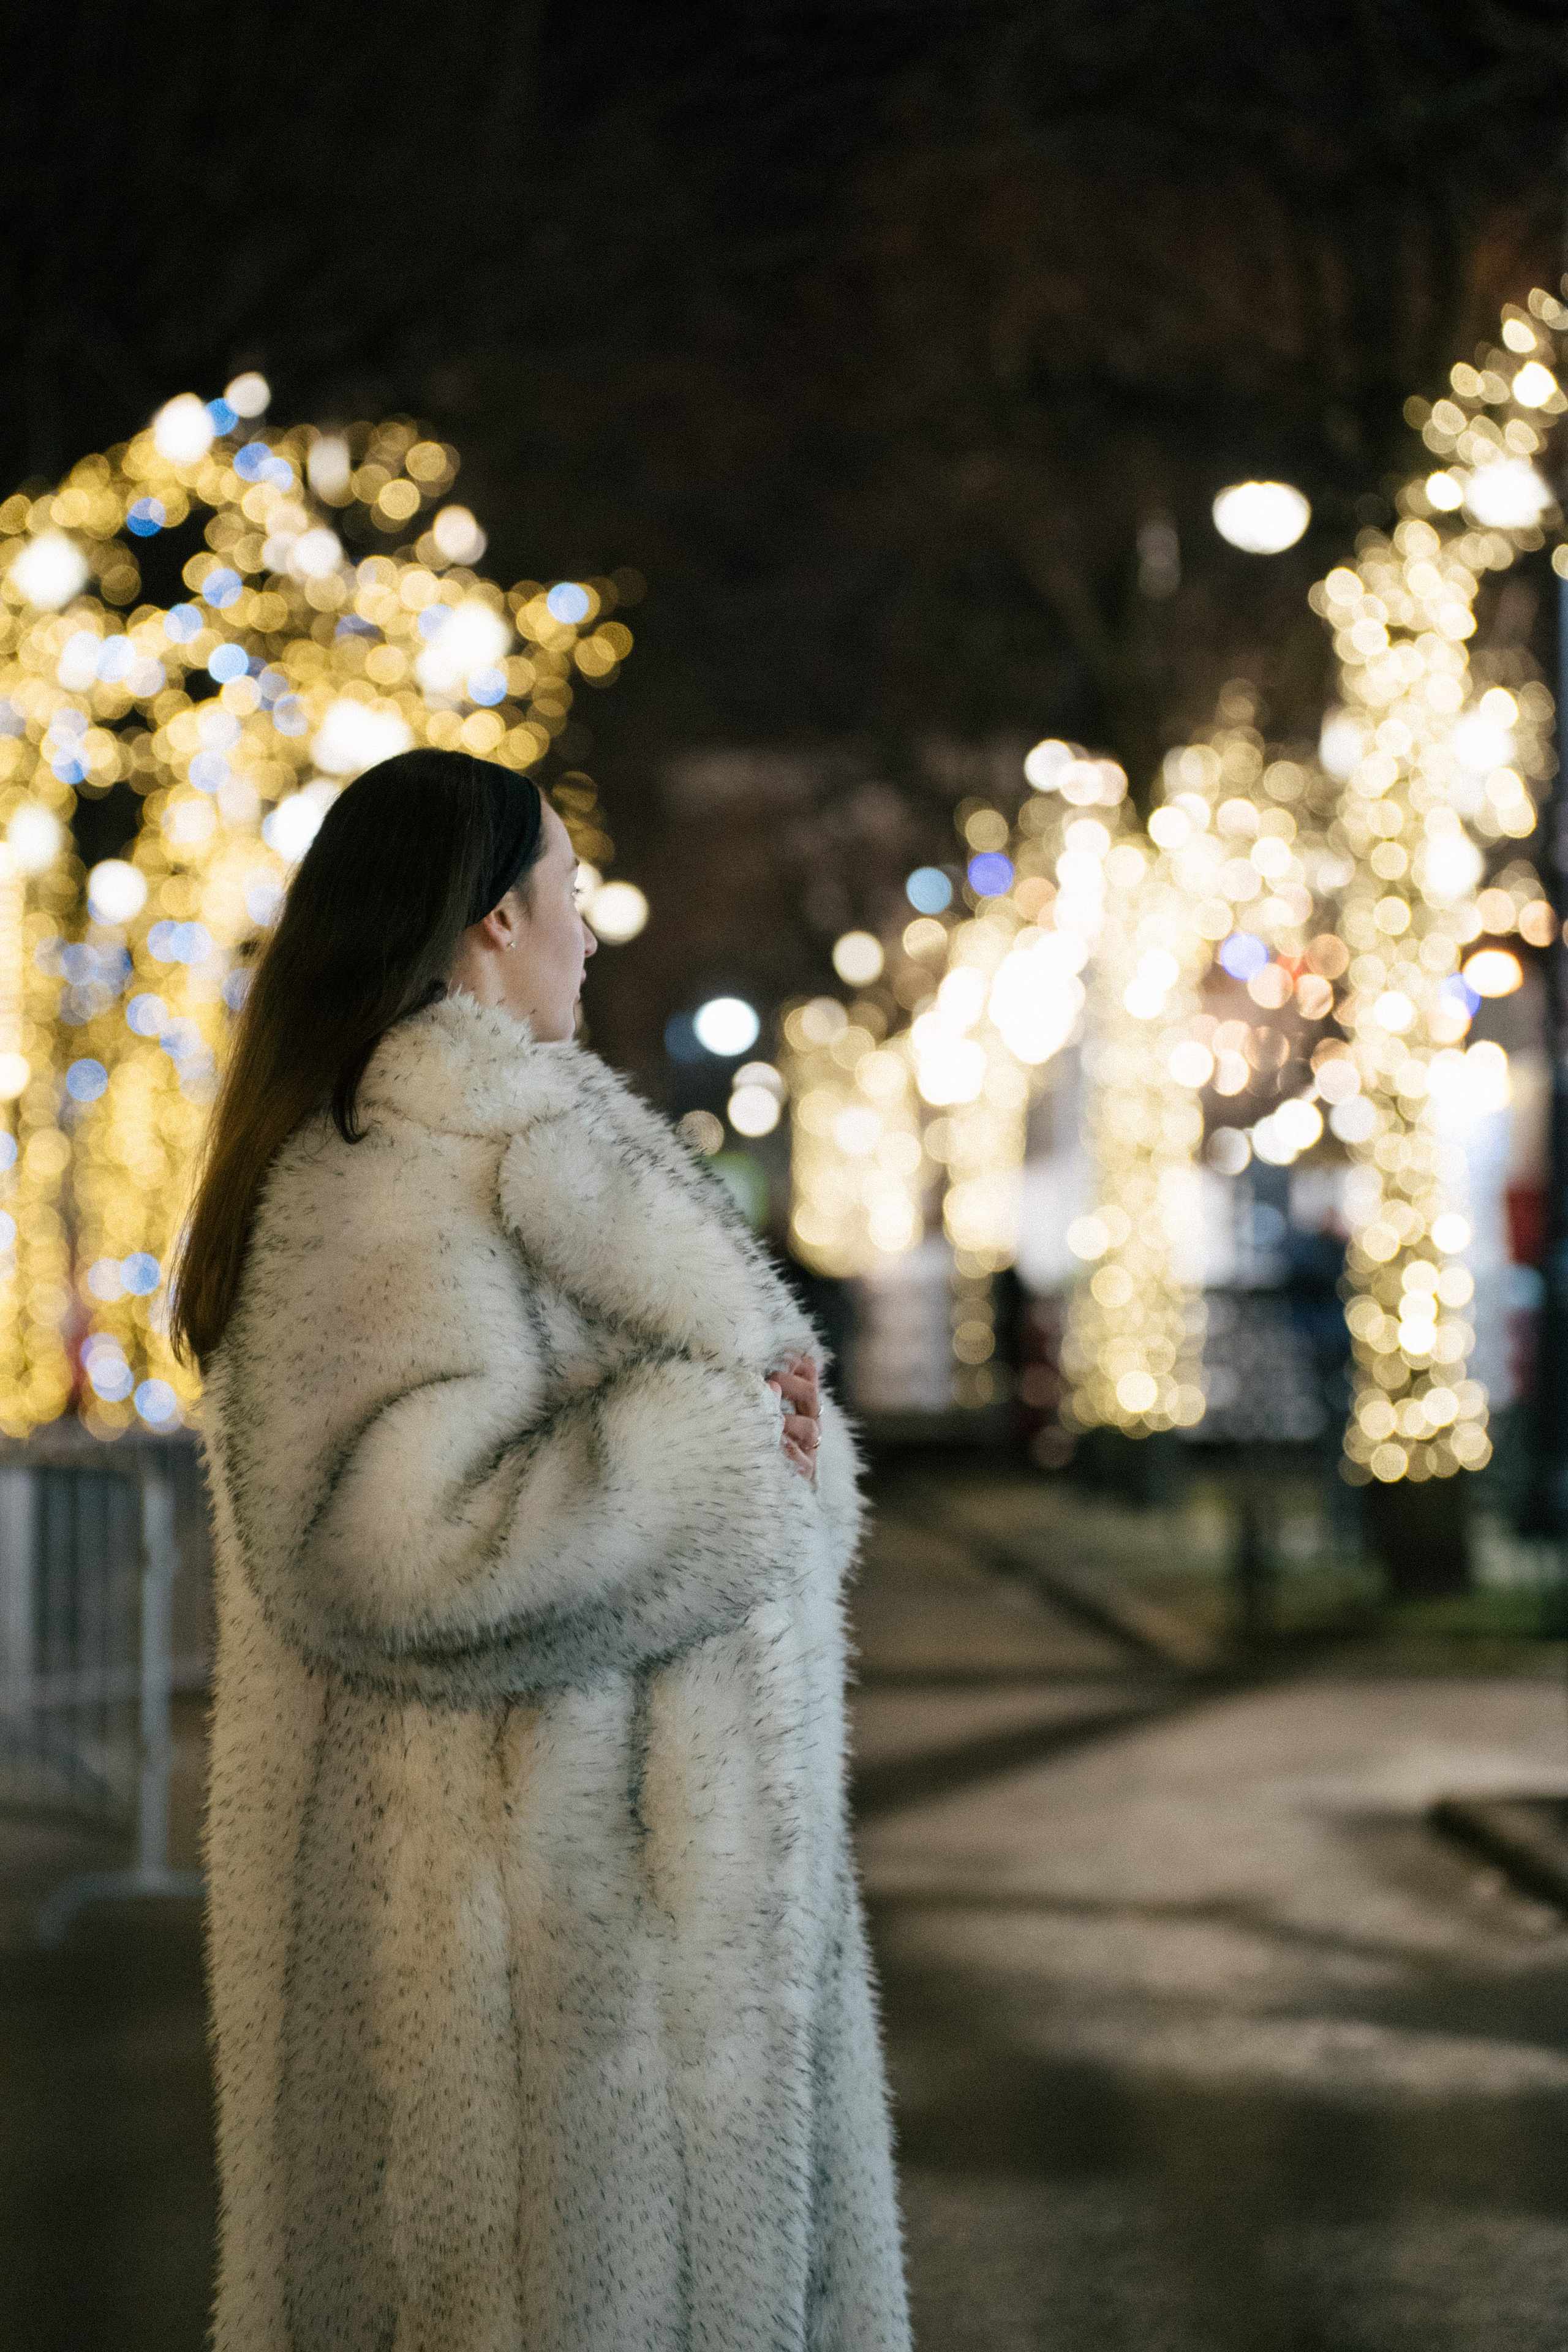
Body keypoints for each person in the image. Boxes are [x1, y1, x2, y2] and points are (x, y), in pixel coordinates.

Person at [176, 748, 910, 2352]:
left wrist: (767, 1445)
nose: (590, 939)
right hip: (516, 2015)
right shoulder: (386, 1165)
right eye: (573, 899)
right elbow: (379, 1545)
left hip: (634, 1988)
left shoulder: (502, 1144)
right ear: (501, 913)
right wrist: (716, 1455)